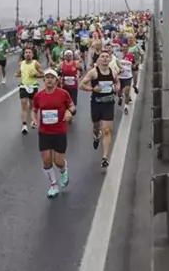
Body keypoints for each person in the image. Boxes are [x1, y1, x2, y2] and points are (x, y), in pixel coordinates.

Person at [31, 69, 75, 197]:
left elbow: (72, 106)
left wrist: (69, 112)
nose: (49, 80)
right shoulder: (38, 96)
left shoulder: (63, 94)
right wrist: (34, 120)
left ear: (56, 80)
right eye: (47, 77)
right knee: (46, 161)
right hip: (44, 132)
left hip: (59, 132)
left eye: (52, 77)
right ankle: (53, 185)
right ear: (43, 80)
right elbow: (34, 110)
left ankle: (63, 169)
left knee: (58, 162)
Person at [80, 50, 120, 168]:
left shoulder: (113, 72)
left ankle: (104, 158)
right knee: (96, 127)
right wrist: (93, 89)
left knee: (107, 130)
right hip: (96, 104)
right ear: (98, 59)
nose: (105, 59)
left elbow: (118, 83)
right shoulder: (93, 72)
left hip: (109, 103)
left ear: (110, 59)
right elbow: (81, 85)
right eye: (102, 57)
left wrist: (116, 88)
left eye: (107, 57)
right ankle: (96, 135)